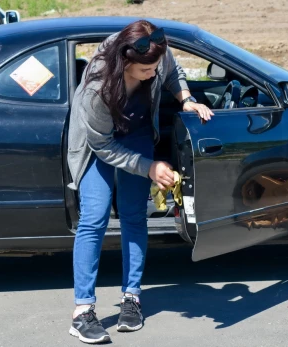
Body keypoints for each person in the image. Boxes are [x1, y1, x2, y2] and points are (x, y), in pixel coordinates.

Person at [66, 19, 213, 344]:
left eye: (155, 67)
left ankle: (131, 299)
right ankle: (83, 312)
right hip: (96, 144)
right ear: (127, 62)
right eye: (147, 71)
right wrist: (148, 168)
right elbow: (104, 146)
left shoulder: (156, 51)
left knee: (134, 215)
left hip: (137, 134)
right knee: (95, 216)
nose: (153, 74)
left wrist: (186, 98)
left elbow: (172, 72)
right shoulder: (96, 88)